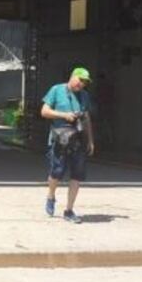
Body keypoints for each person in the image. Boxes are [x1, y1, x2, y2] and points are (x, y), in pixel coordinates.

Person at [41, 67, 95, 224]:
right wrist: (64, 115)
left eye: (85, 82)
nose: (81, 84)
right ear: (72, 77)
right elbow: (44, 111)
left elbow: (87, 119)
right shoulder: (56, 90)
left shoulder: (84, 96)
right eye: (80, 80)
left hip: (78, 140)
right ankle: (51, 195)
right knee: (56, 172)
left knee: (77, 175)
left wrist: (90, 140)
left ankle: (69, 210)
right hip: (60, 139)